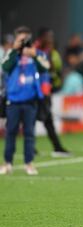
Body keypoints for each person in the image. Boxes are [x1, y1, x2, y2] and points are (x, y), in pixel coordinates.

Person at [0, 26, 49, 175]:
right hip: (13, 100)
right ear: (16, 39)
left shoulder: (37, 54)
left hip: (30, 100)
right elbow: (5, 66)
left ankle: (29, 163)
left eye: (26, 39)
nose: (23, 42)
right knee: (11, 132)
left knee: (29, 133)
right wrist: (15, 50)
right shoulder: (11, 54)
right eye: (21, 39)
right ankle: (7, 163)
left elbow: (45, 67)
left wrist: (34, 55)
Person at [34, 27, 71, 157]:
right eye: (49, 36)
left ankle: (56, 146)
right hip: (35, 91)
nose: (51, 38)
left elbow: (55, 70)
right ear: (42, 37)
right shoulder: (35, 51)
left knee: (46, 119)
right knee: (33, 119)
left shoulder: (51, 52)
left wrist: (56, 83)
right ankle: (52, 147)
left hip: (46, 90)